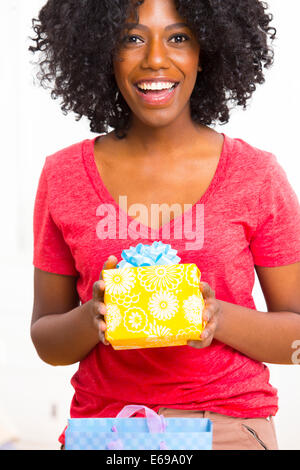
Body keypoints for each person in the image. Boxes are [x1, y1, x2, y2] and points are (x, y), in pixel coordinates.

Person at [29, 0, 300, 450]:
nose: (155, 58)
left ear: (206, 51)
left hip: (226, 428)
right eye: (132, 38)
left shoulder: (256, 174)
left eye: (179, 38)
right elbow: (46, 340)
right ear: (101, 50)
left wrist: (216, 317)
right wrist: (91, 317)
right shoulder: (63, 176)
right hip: (108, 431)